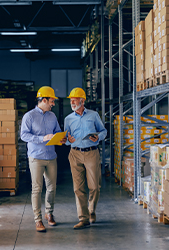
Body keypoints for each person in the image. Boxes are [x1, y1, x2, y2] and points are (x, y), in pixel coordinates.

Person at [20, 86, 67, 232]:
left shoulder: (52, 116)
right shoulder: (29, 116)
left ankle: (49, 213)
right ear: (44, 100)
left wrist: (61, 139)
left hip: (51, 156)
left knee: (52, 187)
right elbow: (24, 135)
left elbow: (57, 132)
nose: (53, 104)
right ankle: (38, 220)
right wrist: (42, 138)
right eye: (52, 101)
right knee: (37, 188)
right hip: (36, 157)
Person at [64, 87, 107, 230]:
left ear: (82, 101)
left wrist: (98, 137)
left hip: (91, 152)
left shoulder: (94, 115)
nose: (72, 102)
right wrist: (68, 140)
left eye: (74, 100)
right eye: (71, 100)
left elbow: (103, 131)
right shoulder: (68, 119)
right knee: (78, 188)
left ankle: (91, 210)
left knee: (94, 186)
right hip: (75, 153)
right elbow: (66, 139)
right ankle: (83, 218)